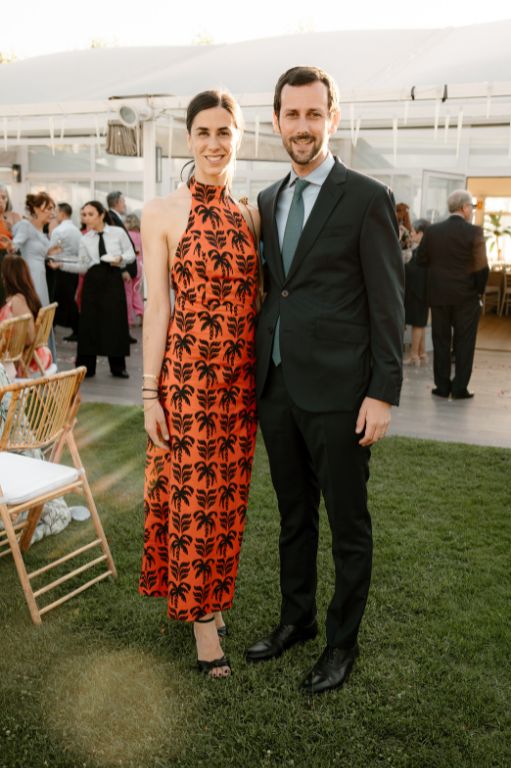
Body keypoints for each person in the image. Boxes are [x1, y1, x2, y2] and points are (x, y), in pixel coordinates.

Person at [245, 66, 404, 695]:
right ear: (278, 120)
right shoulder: (266, 199)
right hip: (277, 385)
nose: (303, 127)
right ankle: (297, 620)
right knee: (292, 515)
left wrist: (383, 391)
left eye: (314, 115)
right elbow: (277, 289)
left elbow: (388, 303)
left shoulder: (366, 197)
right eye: (292, 115)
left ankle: (341, 644)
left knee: (347, 521)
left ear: (332, 119)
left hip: (343, 392)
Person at [138, 89, 259, 679]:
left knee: (227, 502)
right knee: (192, 502)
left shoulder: (249, 215)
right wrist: (147, 392)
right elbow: (157, 308)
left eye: (224, 132)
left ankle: (210, 598)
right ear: (188, 139)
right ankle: (203, 625)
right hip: (186, 382)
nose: (214, 143)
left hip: (239, 385)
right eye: (204, 132)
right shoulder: (160, 212)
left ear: (239, 138)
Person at [416, 190, 488, 401]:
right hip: (466, 297)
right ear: (465, 208)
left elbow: (421, 260)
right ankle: (459, 389)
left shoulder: (433, 231)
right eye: (471, 208)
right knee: (464, 343)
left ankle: (441, 387)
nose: (472, 212)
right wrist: (478, 292)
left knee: (440, 341)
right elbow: (482, 268)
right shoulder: (474, 232)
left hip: (438, 296)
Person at [74, 200, 135, 378]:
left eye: (90, 214)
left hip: (113, 279)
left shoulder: (117, 233)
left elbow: (131, 255)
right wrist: (61, 265)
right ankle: (86, 367)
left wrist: (120, 258)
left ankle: (118, 367)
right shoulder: (84, 238)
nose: (86, 218)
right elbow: (83, 267)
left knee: (115, 321)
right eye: (84, 214)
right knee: (89, 323)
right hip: (92, 282)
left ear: (101, 215)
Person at [0, 255, 54, 377]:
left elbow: (30, 337)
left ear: (8, 277)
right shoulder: (27, 297)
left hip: (21, 361)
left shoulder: (17, 301)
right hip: (28, 356)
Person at [10, 192, 58, 305]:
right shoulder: (25, 226)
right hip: (29, 276)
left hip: (41, 276)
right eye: (49, 209)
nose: (52, 213)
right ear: (36, 209)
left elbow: (45, 254)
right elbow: (14, 246)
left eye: (53, 209)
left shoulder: (43, 232)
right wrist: (10, 246)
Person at [47, 202, 83, 339]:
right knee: (67, 299)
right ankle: (56, 327)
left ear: (62, 213)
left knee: (59, 299)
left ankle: (74, 328)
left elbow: (51, 251)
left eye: (56, 211)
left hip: (60, 268)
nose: (54, 214)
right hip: (74, 269)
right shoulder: (77, 231)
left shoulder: (58, 231)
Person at [400, 202, 428, 366]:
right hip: (420, 291)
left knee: (417, 323)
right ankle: (422, 353)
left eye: (413, 233)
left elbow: (414, 270)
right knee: (420, 323)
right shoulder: (422, 249)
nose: (410, 235)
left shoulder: (422, 251)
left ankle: (414, 355)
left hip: (418, 291)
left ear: (421, 233)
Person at [123, 211, 145, 328]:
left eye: (126, 221)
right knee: (135, 292)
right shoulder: (141, 235)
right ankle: (142, 314)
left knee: (127, 293)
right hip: (140, 266)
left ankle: (129, 320)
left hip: (130, 266)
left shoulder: (127, 235)